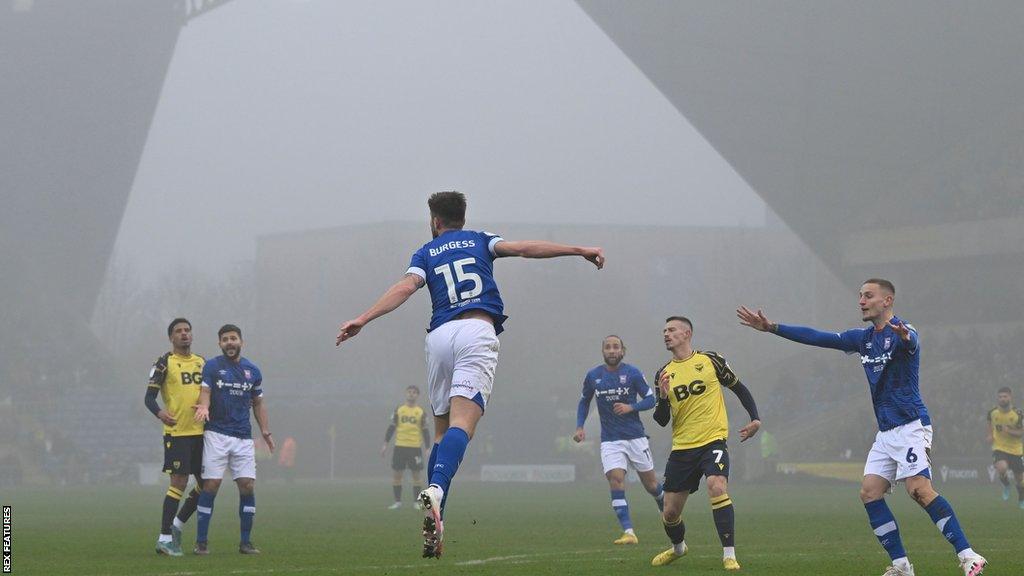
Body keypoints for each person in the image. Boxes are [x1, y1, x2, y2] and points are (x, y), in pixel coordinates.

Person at [336, 191, 603, 558]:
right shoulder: (481, 240)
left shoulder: (425, 253)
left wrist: (363, 318)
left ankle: (435, 526)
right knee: (464, 424)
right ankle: (436, 492)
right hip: (476, 331)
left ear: (435, 221)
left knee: (442, 430)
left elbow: (405, 288)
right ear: (462, 216)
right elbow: (526, 249)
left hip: (439, 337)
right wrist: (578, 250)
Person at [737, 278, 987, 576]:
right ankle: (901, 566)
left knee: (919, 490)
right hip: (885, 432)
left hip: (910, 425)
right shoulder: (862, 338)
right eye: (860, 296)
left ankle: (969, 556)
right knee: (869, 492)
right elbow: (818, 337)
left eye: (868, 296)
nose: (861, 301)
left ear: (887, 300)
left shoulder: (903, 331)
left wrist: (906, 338)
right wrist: (772, 327)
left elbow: (913, 342)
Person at [649, 317, 760, 570]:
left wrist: (755, 418)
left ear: (687, 333)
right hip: (682, 448)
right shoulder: (663, 374)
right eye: (664, 330)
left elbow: (739, 388)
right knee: (670, 513)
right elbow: (661, 420)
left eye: (671, 330)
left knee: (717, 486)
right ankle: (679, 548)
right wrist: (664, 397)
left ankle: (729, 554)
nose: (666, 334)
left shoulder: (710, 360)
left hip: (713, 440)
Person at [573, 335, 663, 544]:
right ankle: (629, 532)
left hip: (635, 437)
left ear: (623, 351)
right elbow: (584, 401)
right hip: (610, 440)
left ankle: (665, 509)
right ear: (603, 351)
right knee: (615, 479)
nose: (612, 350)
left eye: (616, 347)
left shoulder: (632, 373)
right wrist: (580, 427)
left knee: (651, 485)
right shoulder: (594, 376)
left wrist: (631, 407)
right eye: (608, 347)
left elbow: (651, 399)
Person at [192, 324, 274, 555]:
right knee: (211, 485)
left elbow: (258, 402)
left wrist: (265, 431)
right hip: (216, 434)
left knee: (247, 485)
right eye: (225, 339)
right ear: (219, 344)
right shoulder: (212, 367)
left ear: (241, 342)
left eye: (233, 338)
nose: (229, 342)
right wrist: (204, 408)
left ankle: (246, 543)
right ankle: (201, 542)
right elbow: (205, 392)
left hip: (243, 437)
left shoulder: (253, 371)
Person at [145, 317, 205, 557]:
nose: (184, 334)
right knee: (178, 483)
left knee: (206, 484)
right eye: (179, 331)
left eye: (187, 330)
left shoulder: (202, 362)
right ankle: (164, 537)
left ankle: (177, 525)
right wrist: (160, 413)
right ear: (171, 337)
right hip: (178, 433)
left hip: (202, 433)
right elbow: (149, 398)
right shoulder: (164, 362)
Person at [382, 385, 431, 509]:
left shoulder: (421, 412)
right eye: (409, 392)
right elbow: (391, 428)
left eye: (414, 392)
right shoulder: (399, 410)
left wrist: (427, 448)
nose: (411, 394)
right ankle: (397, 502)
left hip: (415, 447)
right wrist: (385, 444)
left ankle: (416, 502)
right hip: (400, 446)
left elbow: (425, 431)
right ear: (405, 394)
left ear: (417, 395)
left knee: (416, 475)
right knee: (397, 474)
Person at [986, 387, 1024, 508]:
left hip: (1016, 449)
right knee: (1002, 468)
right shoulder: (992, 412)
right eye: (1000, 397)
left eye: (1005, 396)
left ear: (1010, 397)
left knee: (1021, 480)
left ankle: (1021, 498)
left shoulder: (1018, 414)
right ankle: (1006, 484)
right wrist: (990, 436)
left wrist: (1009, 431)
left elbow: (1021, 432)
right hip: (999, 447)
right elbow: (989, 424)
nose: (1002, 399)